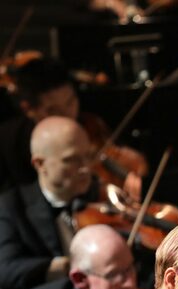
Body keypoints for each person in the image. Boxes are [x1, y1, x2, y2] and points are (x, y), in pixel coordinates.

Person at [0, 116, 95, 289]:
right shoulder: (11, 205)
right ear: (40, 164)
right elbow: (6, 269)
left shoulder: (98, 196)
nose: (84, 169)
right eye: (71, 160)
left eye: (87, 157)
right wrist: (67, 265)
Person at [0, 57, 146, 193]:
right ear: (28, 109)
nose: (68, 115)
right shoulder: (9, 141)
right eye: (53, 110)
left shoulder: (90, 122)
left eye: (70, 102)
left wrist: (127, 167)